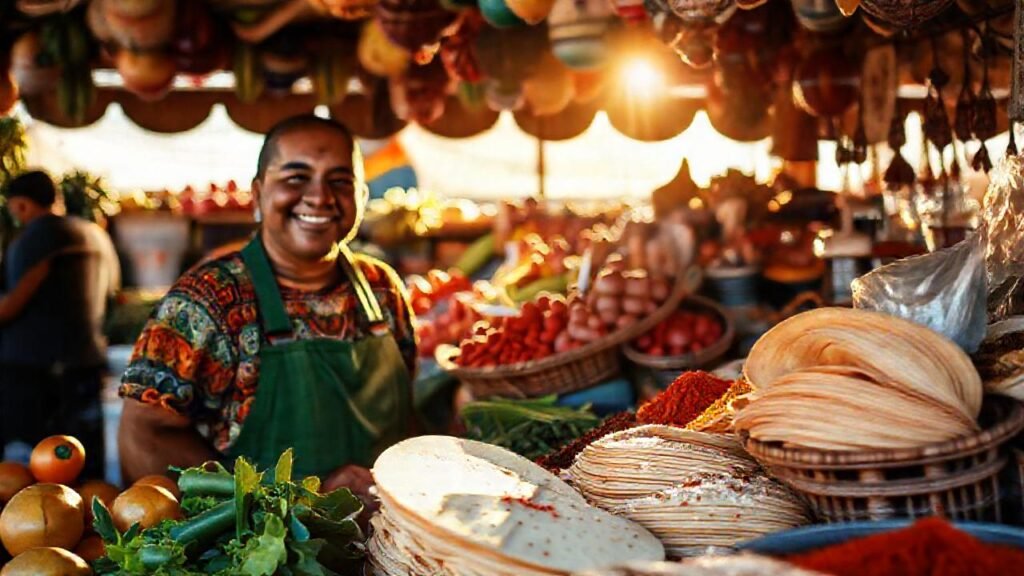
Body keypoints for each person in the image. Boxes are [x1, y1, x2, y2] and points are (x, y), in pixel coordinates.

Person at [118, 115, 417, 504]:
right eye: (296, 178)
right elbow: (143, 433)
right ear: (258, 194)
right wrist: (288, 504)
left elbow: (404, 416)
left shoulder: (382, 289)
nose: (320, 197)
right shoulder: (210, 298)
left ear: (361, 196)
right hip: (268, 555)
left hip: (390, 546)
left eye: (340, 181)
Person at [0, 170, 119, 478]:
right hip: (86, 365)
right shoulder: (96, 235)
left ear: (22, 206)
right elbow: (111, 298)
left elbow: (11, 307)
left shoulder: (32, 240)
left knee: (27, 475)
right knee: (85, 470)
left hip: (34, 375)